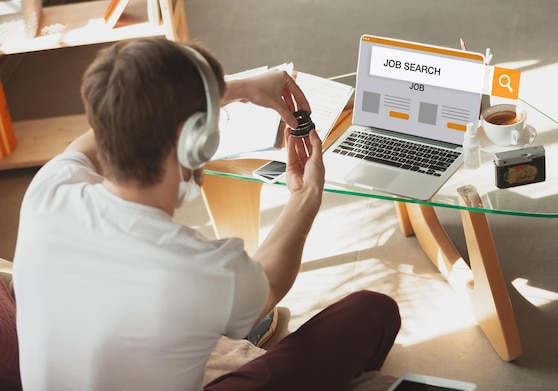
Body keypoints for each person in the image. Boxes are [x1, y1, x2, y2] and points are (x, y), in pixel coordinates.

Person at [13, 38, 400, 390]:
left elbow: (105, 126)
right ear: (196, 140)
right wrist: (307, 193)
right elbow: (268, 286)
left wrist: (240, 89)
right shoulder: (192, 267)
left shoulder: (48, 190)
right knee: (372, 312)